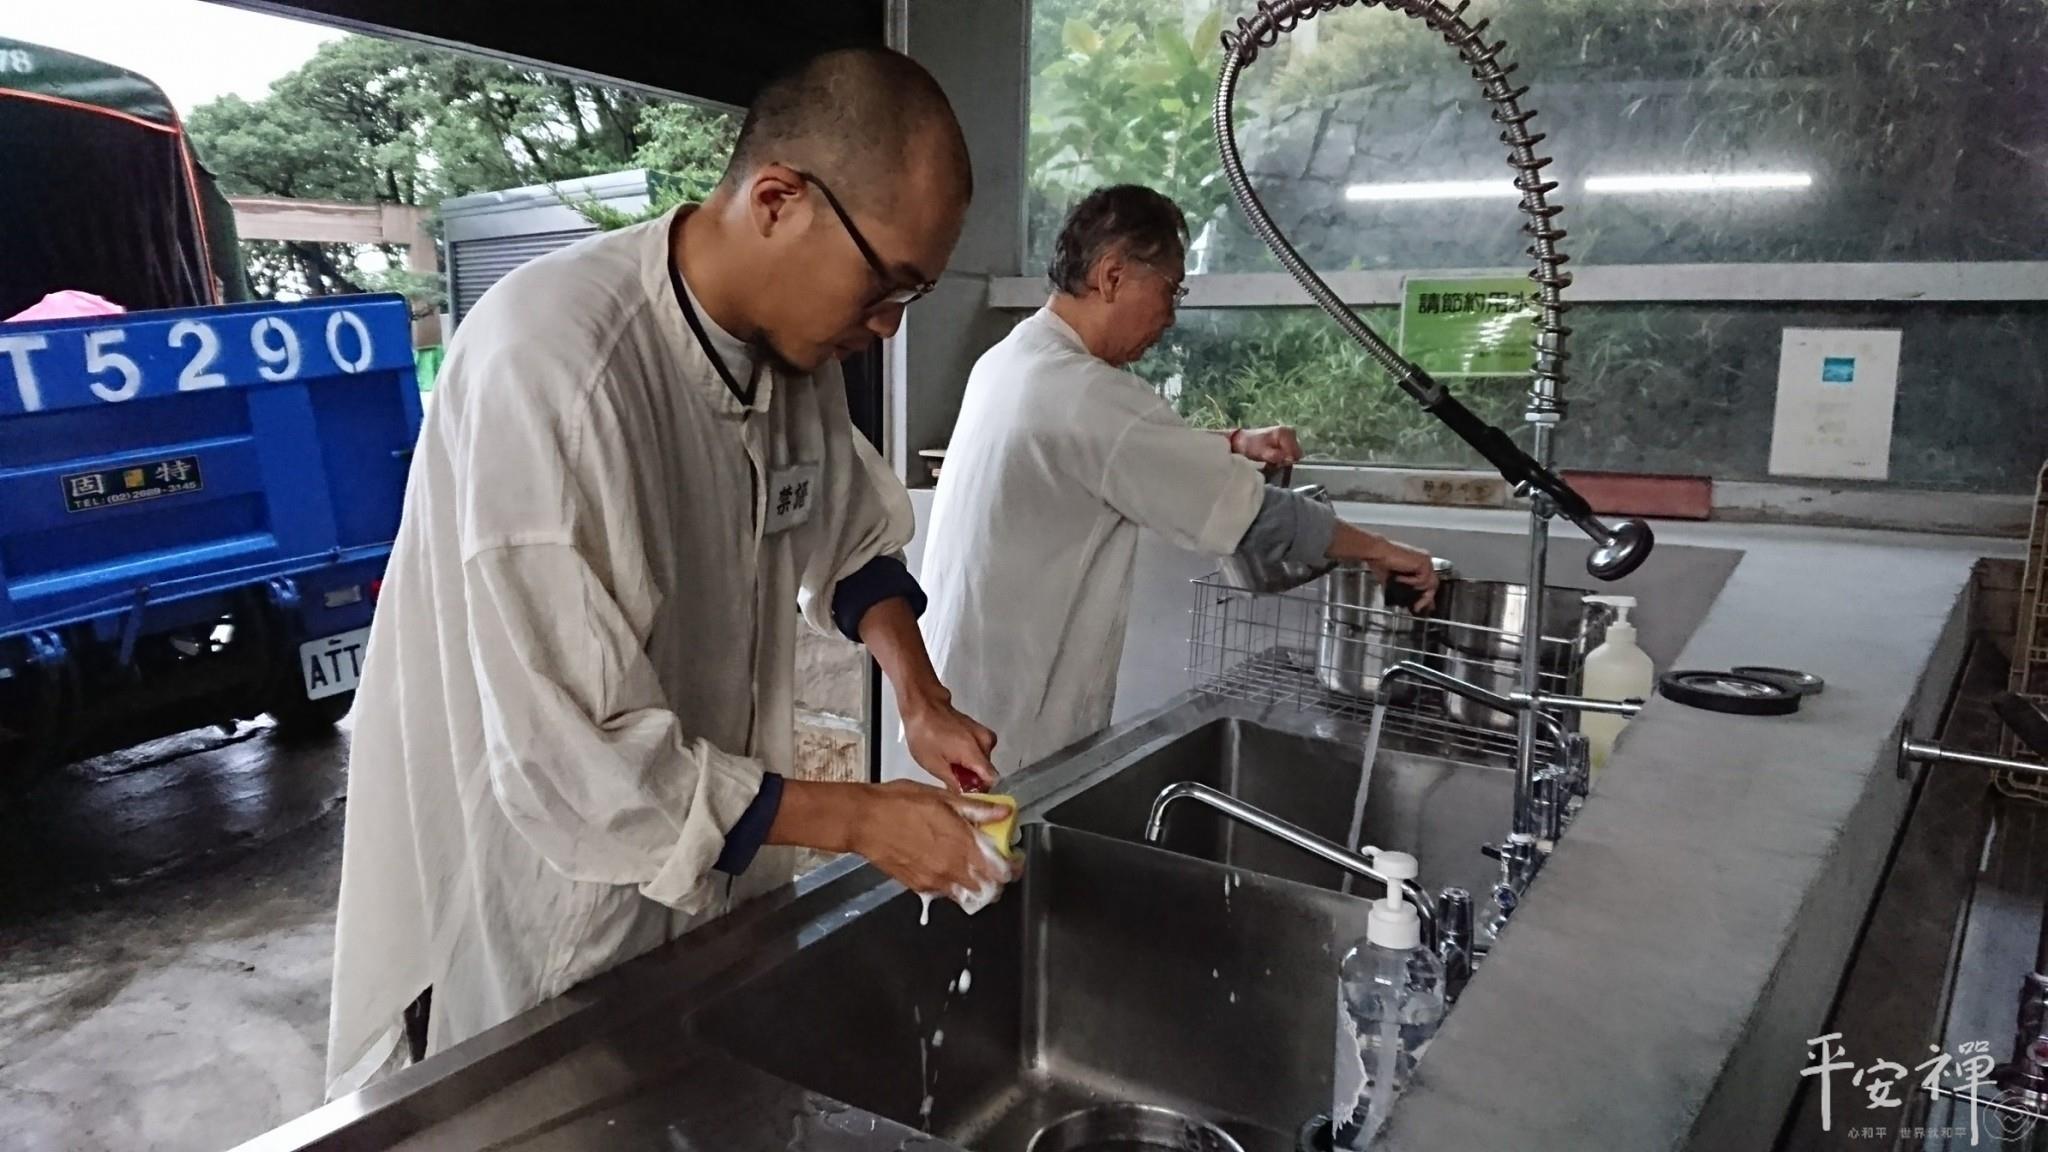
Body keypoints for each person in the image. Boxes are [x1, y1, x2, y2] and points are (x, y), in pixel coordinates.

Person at [324, 48, 1018, 1097]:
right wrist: (860, 817)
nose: (887, 328)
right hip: (553, 902)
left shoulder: (791, 354)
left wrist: (920, 700)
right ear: (778, 201)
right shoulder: (555, 368)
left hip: (718, 863)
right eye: (885, 286)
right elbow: (575, 762)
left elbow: (847, 541)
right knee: (554, 1110)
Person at [918, 184, 1443, 778]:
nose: (1171, 316)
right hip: (1010, 729)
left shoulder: (1014, 359)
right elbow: (1258, 519)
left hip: (957, 692)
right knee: (1007, 838)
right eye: (1171, 289)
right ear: (1113, 275)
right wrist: (1380, 551)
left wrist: (1234, 442)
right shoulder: (1088, 392)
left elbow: (1108, 449)